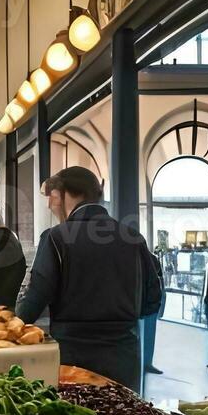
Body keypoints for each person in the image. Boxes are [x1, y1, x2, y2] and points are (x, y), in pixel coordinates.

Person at [14, 167, 162, 391]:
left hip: (73, 356)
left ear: (62, 194)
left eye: (51, 198)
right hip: (124, 355)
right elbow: (153, 299)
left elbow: (31, 306)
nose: (49, 206)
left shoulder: (56, 237)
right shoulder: (133, 238)